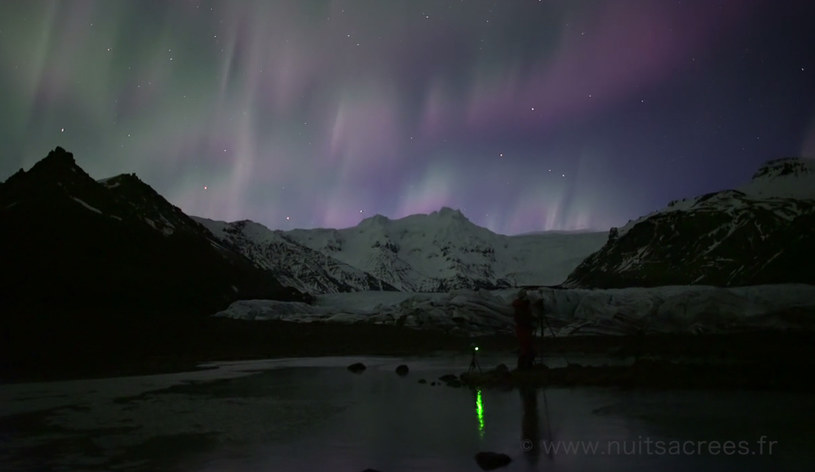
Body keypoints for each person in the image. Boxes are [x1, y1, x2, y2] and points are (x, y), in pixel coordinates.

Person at [512, 288, 537, 369]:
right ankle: (525, 366)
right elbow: (524, 319)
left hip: (523, 330)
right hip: (524, 330)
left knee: (525, 347)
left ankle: (524, 366)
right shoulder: (522, 307)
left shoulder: (520, 307)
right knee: (526, 347)